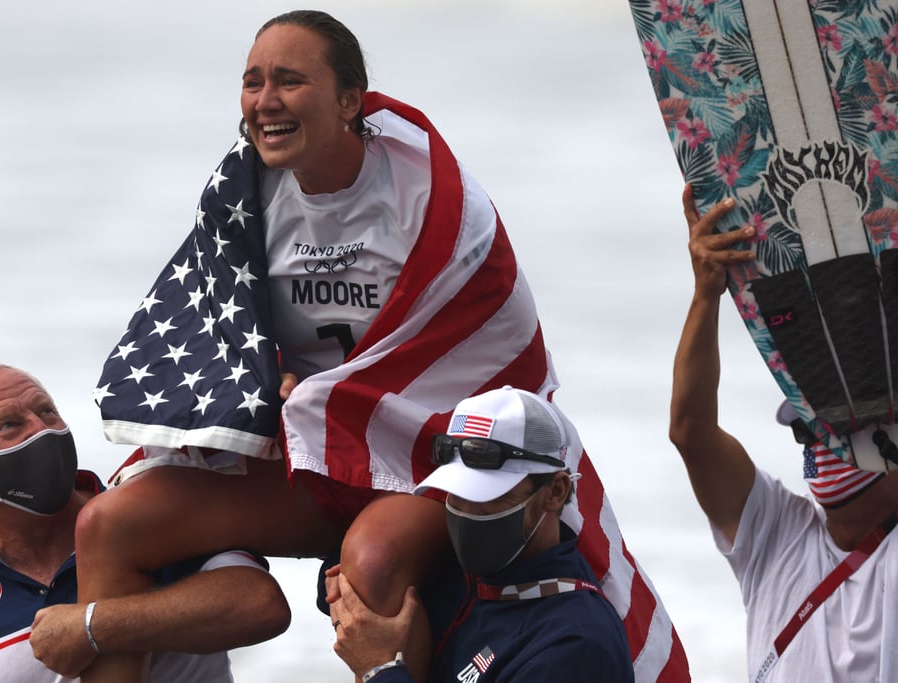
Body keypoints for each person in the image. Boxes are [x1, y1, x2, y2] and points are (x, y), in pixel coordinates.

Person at [78, 10, 687, 682]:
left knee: (370, 559)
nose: (265, 101)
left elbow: (495, 352)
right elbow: (223, 346)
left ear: (349, 101)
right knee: (108, 524)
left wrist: (327, 397)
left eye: (288, 80)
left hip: (437, 455)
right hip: (319, 454)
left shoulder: (432, 196)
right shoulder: (245, 198)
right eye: (252, 82)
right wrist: (281, 385)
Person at [0, 363, 290, 682]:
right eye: (10, 425)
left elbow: (260, 605)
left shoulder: (152, 512)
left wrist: (92, 626)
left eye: (47, 411)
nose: (43, 430)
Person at [669, 185, 898, 682]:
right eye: (806, 430)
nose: (820, 443)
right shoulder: (775, 537)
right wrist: (706, 294)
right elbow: (691, 432)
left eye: (836, 427)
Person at [327, 386, 634, 682]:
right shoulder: (457, 577)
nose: (466, 514)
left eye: (488, 496)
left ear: (555, 492)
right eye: (455, 494)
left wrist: (380, 671)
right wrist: (345, 587)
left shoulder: (575, 646)